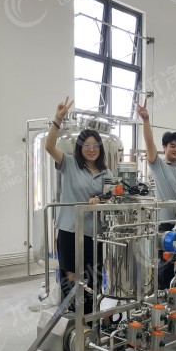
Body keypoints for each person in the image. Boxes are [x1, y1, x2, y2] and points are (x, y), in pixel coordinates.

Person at [45, 96, 113, 315]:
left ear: (100, 148)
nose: (91, 149)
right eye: (86, 145)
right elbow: (49, 146)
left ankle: (91, 317)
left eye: (95, 146)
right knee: (72, 276)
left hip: (95, 233)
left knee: (93, 276)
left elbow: (111, 196)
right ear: (80, 147)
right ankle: (71, 318)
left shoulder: (106, 172)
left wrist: (100, 199)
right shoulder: (69, 163)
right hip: (70, 230)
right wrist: (58, 118)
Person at [136, 97, 176, 289]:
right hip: (166, 224)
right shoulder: (158, 166)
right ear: (164, 148)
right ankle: (163, 298)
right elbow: (149, 143)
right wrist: (146, 121)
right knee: (166, 265)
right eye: (172, 146)